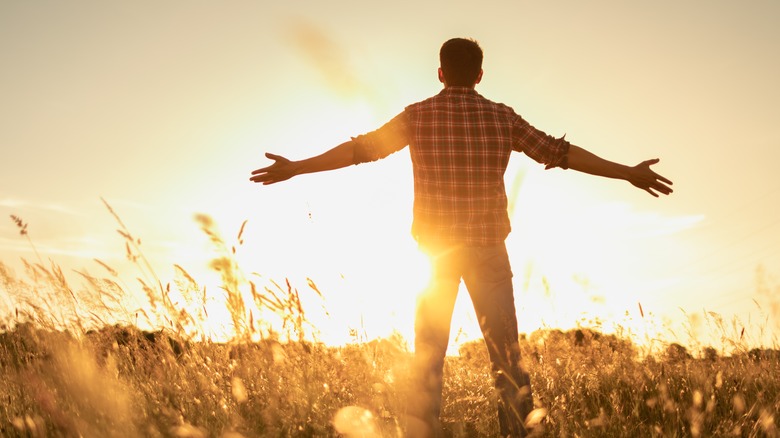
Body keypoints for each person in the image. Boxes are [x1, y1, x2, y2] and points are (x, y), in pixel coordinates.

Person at [250, 37, 673, 437]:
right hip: (489, 251)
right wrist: (628, 172)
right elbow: (560, 153)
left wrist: (297, 167)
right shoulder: (503, 117)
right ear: (480, 75)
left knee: (428, 357)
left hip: (434, 256)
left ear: (440, 73)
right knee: (507, 359)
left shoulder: (417, 116)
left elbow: (360, 150)